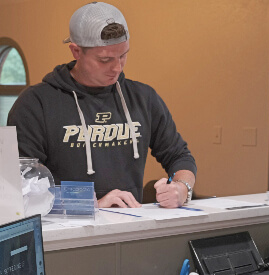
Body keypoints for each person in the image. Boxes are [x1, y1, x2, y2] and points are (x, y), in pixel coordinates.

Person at [7, 2, 196, 209]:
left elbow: (179, 156)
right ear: (76, 51)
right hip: (63, 231)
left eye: (123, 55)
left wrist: (182, 188)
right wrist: (89, 204)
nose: (116, 68)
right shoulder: (35, 104)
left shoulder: (143, 98)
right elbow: (22, 183)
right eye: (104, 59)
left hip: (129, 223)